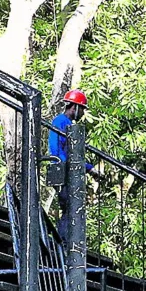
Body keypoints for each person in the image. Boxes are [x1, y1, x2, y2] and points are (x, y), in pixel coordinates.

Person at [47, 89, 94, 239]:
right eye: (82, 110)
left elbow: (73, 154)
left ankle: (68, 241)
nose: (82, 114)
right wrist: (65, 164)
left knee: (72, 207)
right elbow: (55, 149)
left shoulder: (70, 125)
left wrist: (89, 168)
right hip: (63, 169)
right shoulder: (60, 121)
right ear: (75, 107)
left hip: (69, 169)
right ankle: (64, 242)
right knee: (69, 206)